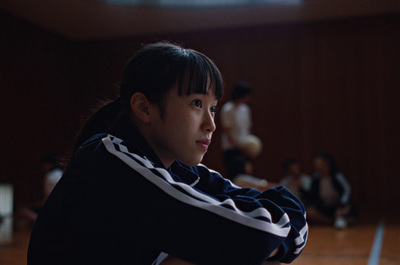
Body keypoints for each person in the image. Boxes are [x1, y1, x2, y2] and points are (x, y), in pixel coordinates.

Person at [28, 42, 307, 265]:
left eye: (212, 108)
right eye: (196, 103)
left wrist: (269, 238)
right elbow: (254, 236)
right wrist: (272, 238)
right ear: (144, 108)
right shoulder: (108, 160)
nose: (210, 124)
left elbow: (287, 205)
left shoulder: (179, 169)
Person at [306, 152, 356, 228]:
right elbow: (312, 196)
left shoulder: (336, 176)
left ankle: (342, 218)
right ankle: (331, 221)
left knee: (347, 210)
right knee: (309, 212)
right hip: (325, 207)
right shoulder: (316, 179)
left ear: (326, 163)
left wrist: (342, 205)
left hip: (338, 206)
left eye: (318, 162)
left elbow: (346, 190)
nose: (315, 164)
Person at [221, 82, 257, 179]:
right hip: (231, 148)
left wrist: (251, 145)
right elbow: (227, 131)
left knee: (247, 174)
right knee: (236, 177)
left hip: (244, 148)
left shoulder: (245, 109)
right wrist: (239, 146)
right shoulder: (228, 109)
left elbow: (248, 129)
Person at [18, 152, 63, 224]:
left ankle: (44, 222)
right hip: (62, 208)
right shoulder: (61, 173)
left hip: (54, 209)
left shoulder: (50, 176)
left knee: (23, 210)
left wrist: (29, 205)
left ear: (48, 164)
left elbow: (46, 201)